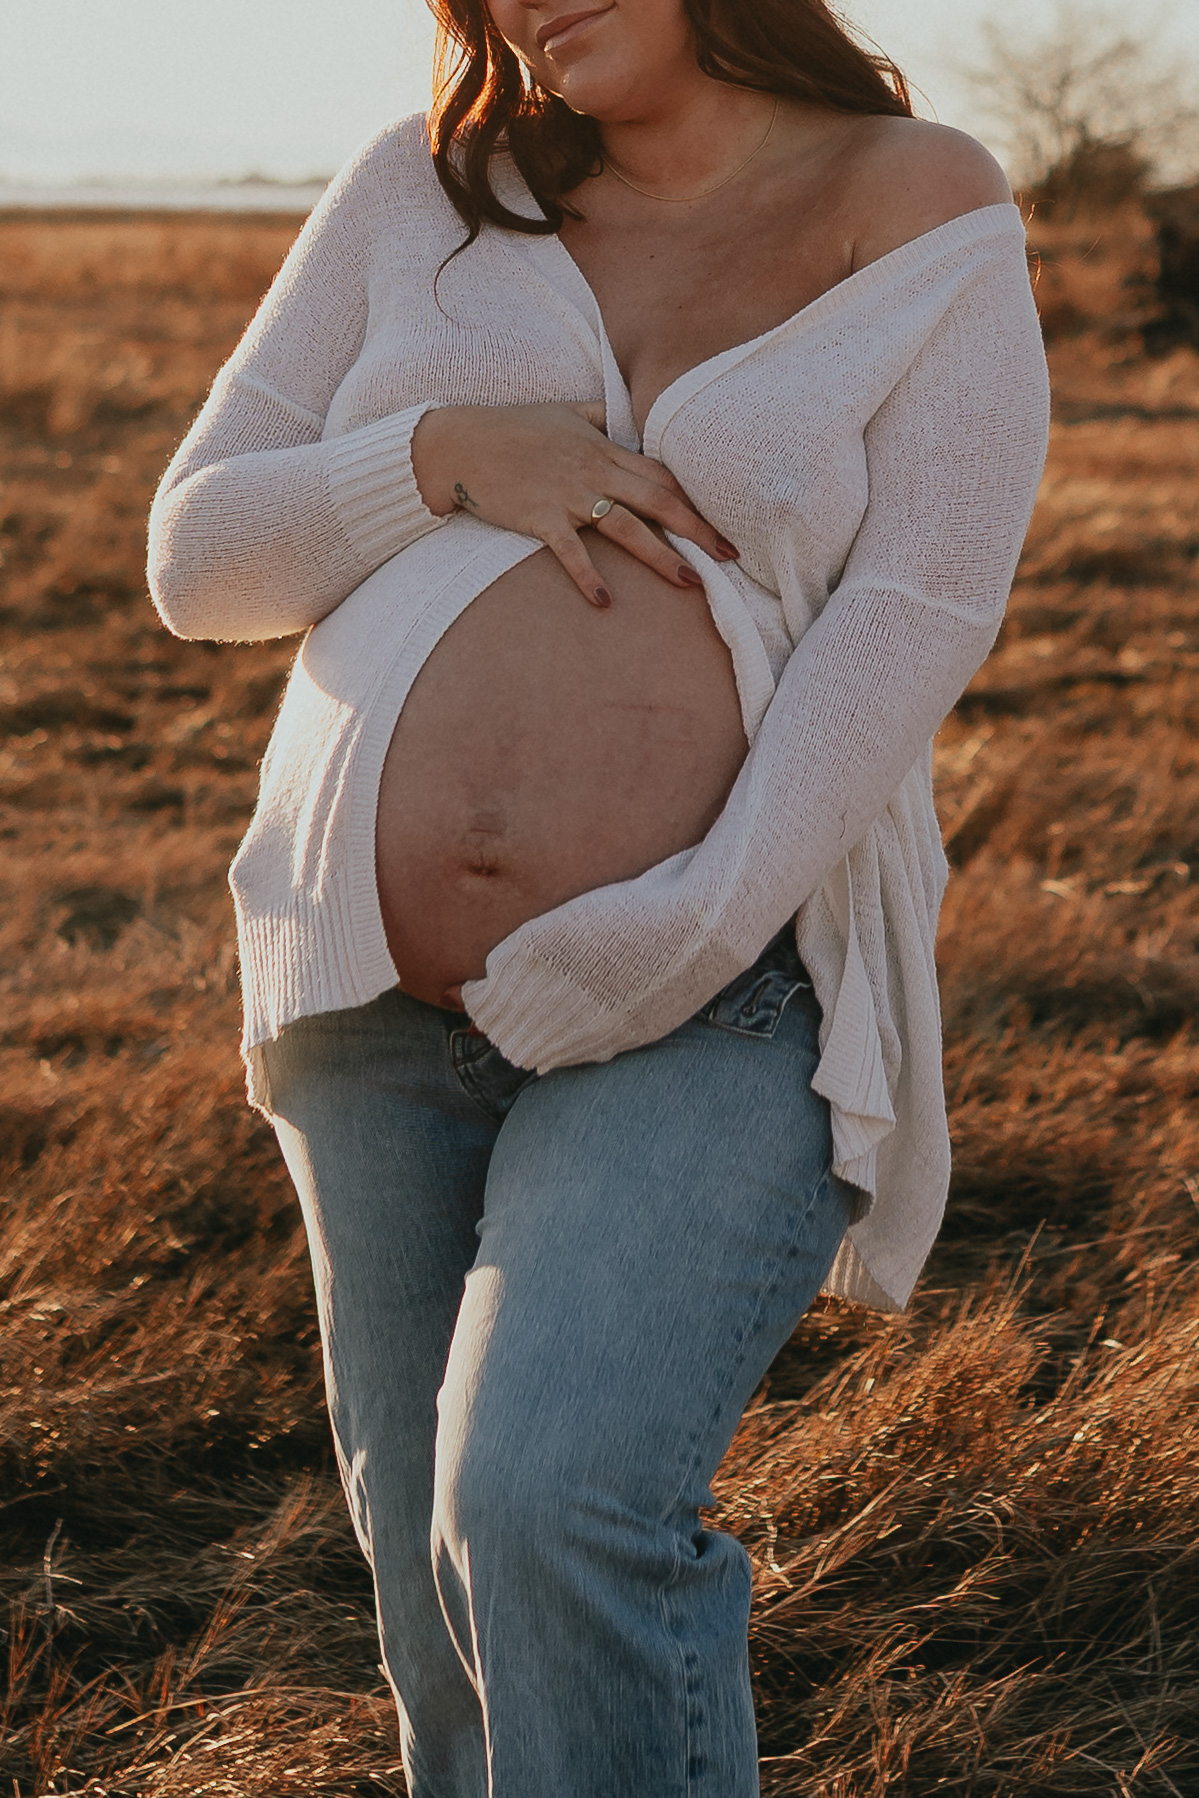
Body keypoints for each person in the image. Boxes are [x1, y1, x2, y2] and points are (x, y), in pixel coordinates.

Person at [147, 1, 1049, 1790]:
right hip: (367, 1011)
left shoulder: (919, 194)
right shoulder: (425, 194)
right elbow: (200, 556)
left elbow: (919, 609)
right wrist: (437, 455)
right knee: (440, 1597)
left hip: (720, 987)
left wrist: (694, 923)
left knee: (548, 1504)